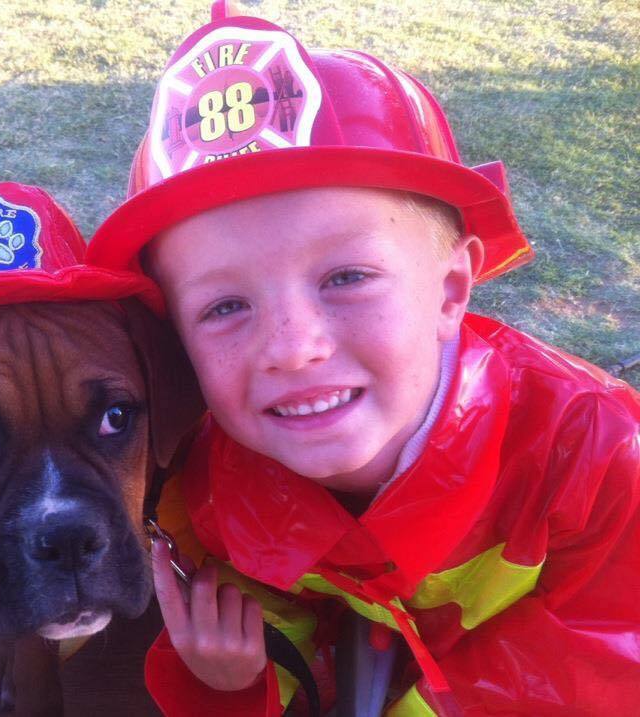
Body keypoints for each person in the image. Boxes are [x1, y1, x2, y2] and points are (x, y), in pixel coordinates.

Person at [84, 3, 640, 715]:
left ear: (449, 288)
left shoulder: (596, 460)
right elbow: (274, 608)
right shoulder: (217, 484)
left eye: (345, 278)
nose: (292, 347)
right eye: (225, 307)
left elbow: (593, 663)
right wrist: (241, 678)